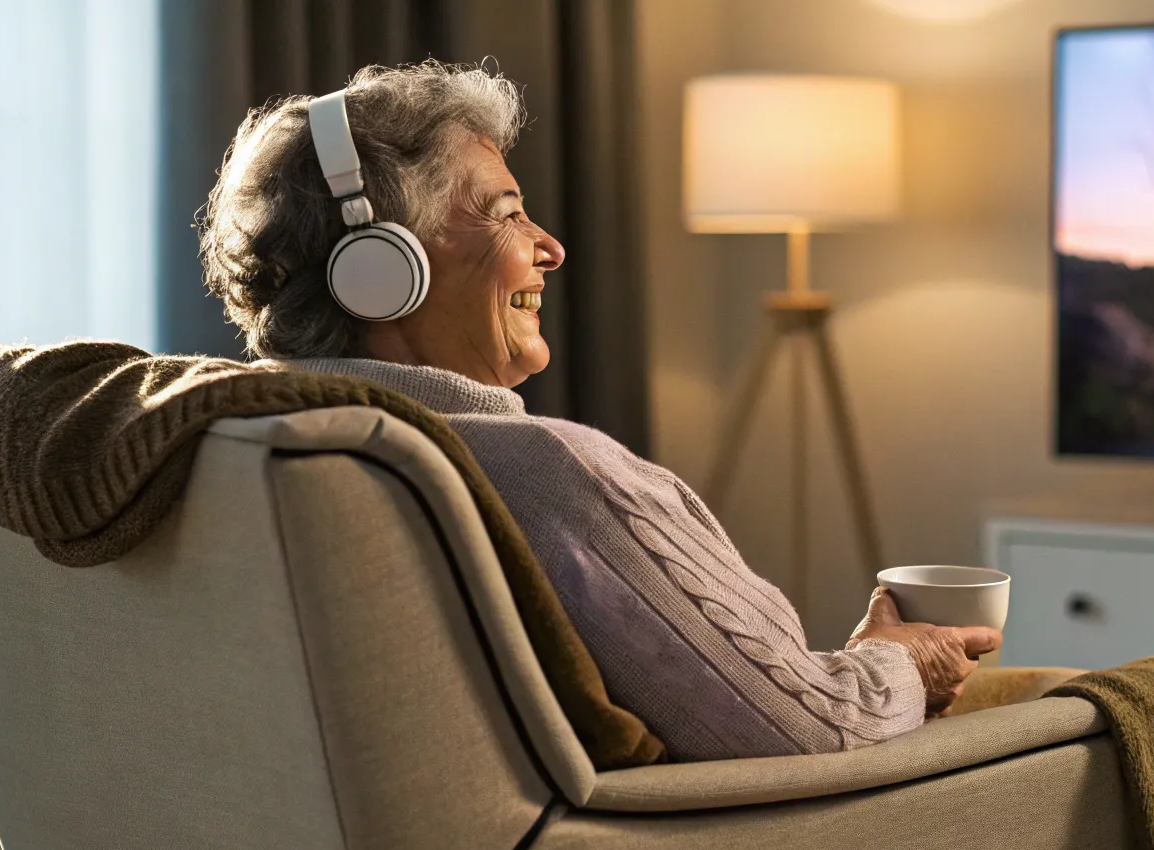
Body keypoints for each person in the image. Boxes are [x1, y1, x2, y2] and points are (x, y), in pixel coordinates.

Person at [197, 62, 1000, 761]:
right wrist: (901, 662)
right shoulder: (545, 476)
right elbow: (814, 729)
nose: (550, 246)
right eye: (507, 212)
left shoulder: (228, 443)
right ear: (381, 267)